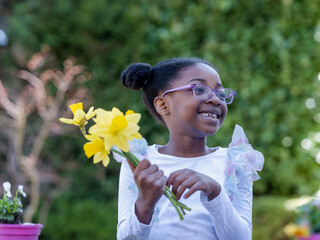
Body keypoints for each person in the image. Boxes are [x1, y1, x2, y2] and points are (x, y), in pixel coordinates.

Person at [115, 57, 264, 240]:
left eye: (220, 93)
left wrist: (214, 191)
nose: (216, 100)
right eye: (199, 89)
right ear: (163, 104)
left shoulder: (236, 162)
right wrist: (145, 203)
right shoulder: (139, 162)